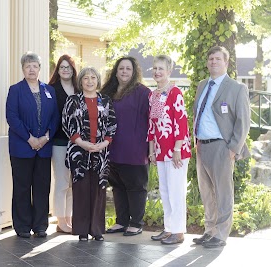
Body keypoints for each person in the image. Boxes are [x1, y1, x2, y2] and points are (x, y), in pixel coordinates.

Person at [192, 46, 250, 248]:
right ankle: (210, 231)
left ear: (226, 62)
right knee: (207, 192)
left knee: (223, 192)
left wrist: (233, 148)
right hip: (202, 146)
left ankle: (221, 234)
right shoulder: (202, 85)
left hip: (222, 147)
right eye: (210, 58)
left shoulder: (236, 88)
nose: (213, 61)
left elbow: (243, 122)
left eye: (218, 58)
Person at [6, 51, 59, 238]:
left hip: (44, 148)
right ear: (22, 69)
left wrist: (45, 137)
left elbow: (55, 118)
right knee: (22, 187)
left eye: (34, 65)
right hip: (22, 147)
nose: (31, 69)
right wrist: (30, 139)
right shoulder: (15, 90)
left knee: (42, 187)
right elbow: (12, 117)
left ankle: (40, 226)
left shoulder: (49, 90)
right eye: (28, 66)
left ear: (39, 68)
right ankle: (22, 227)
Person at [62, 67, 117, 241]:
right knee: (81, 191)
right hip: (79, 153)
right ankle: (82, 231)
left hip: (101, 153)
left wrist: (104, 143)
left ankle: (97, 230)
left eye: (93, 77)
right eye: (86, 78)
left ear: (98, 81)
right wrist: (82, 143)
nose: (90, 81)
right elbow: (67, 124)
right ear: (81, 81)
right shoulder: (73, 100)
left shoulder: (106, 101)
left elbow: (112, 125)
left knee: (99, 191)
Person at [101, 57, 150, 236]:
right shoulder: (109, 91)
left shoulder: (142, 92)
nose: (124, 72)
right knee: (118, 186)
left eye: (128, 69)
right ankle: (121, 221)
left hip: (134, 149)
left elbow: (151, 120)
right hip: (112, 148)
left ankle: (136, 223)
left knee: (136, 187)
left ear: (134, 71)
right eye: (121, 68)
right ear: (116, 71)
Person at [148, 55, 191, 245]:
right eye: (155, 68)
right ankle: (168, 228)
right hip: (159, 149)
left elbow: (181, 122)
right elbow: (151, 125)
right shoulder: (153, 95)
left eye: (161, 69)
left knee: (176, 190)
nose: (157, 72)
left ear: (169, 71)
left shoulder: (175, 93)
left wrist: (177, 149)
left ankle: (179, 231)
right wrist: (151, 150)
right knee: (165, 190)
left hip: (176, 150)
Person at [48, 55, 78, 234]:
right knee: (62, 182)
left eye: (68, 67)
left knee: (73, 183)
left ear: (73, 69)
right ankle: (60, 220)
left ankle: (68, 217)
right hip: (59, 142)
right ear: (58, 70)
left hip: (77, 143)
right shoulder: (51, 89)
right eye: (62, 67)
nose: (65, 70)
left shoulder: (78, 88)